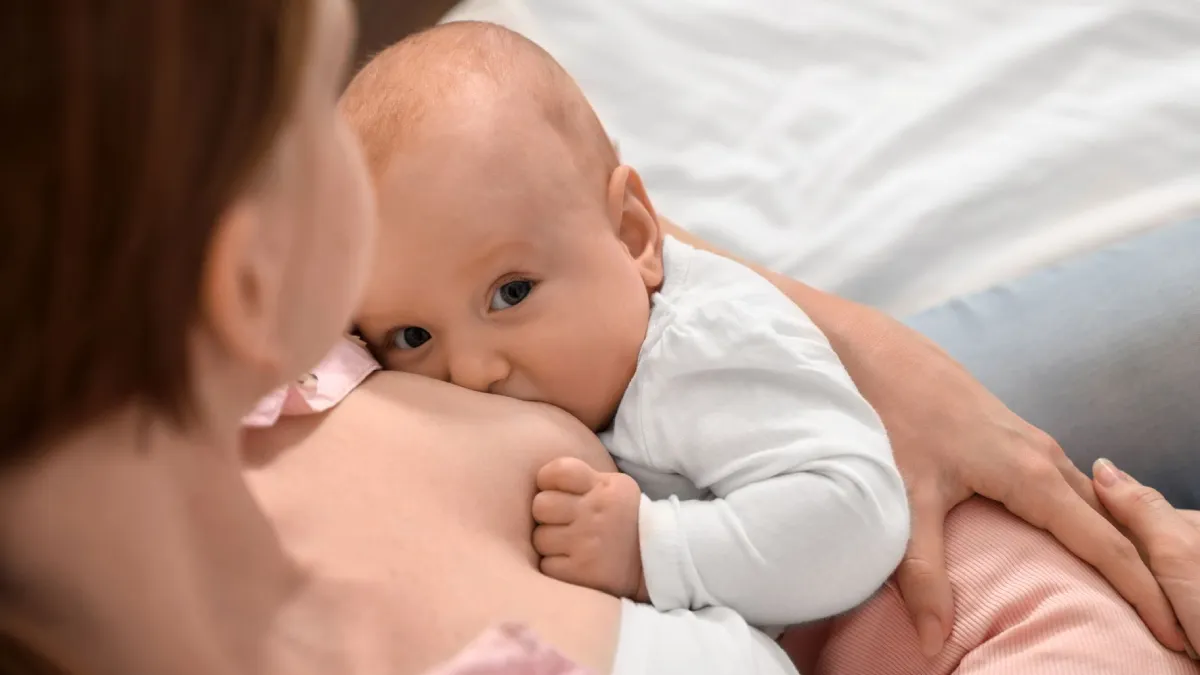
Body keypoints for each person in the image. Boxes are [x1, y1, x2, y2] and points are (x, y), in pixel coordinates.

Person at [2, 1, 1195, 674]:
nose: (464, 362)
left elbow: (553, 224)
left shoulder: (286, 344)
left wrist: (861, 350)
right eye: (309, 107)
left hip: (869, 510)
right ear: (232, 252)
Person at [346, 22, 910, 631]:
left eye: (511, 293)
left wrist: (652, 548)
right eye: (413, 337)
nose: (472, 372)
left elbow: (860, 515)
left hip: (929, 619)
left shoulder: (703, 349)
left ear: (631, 236)